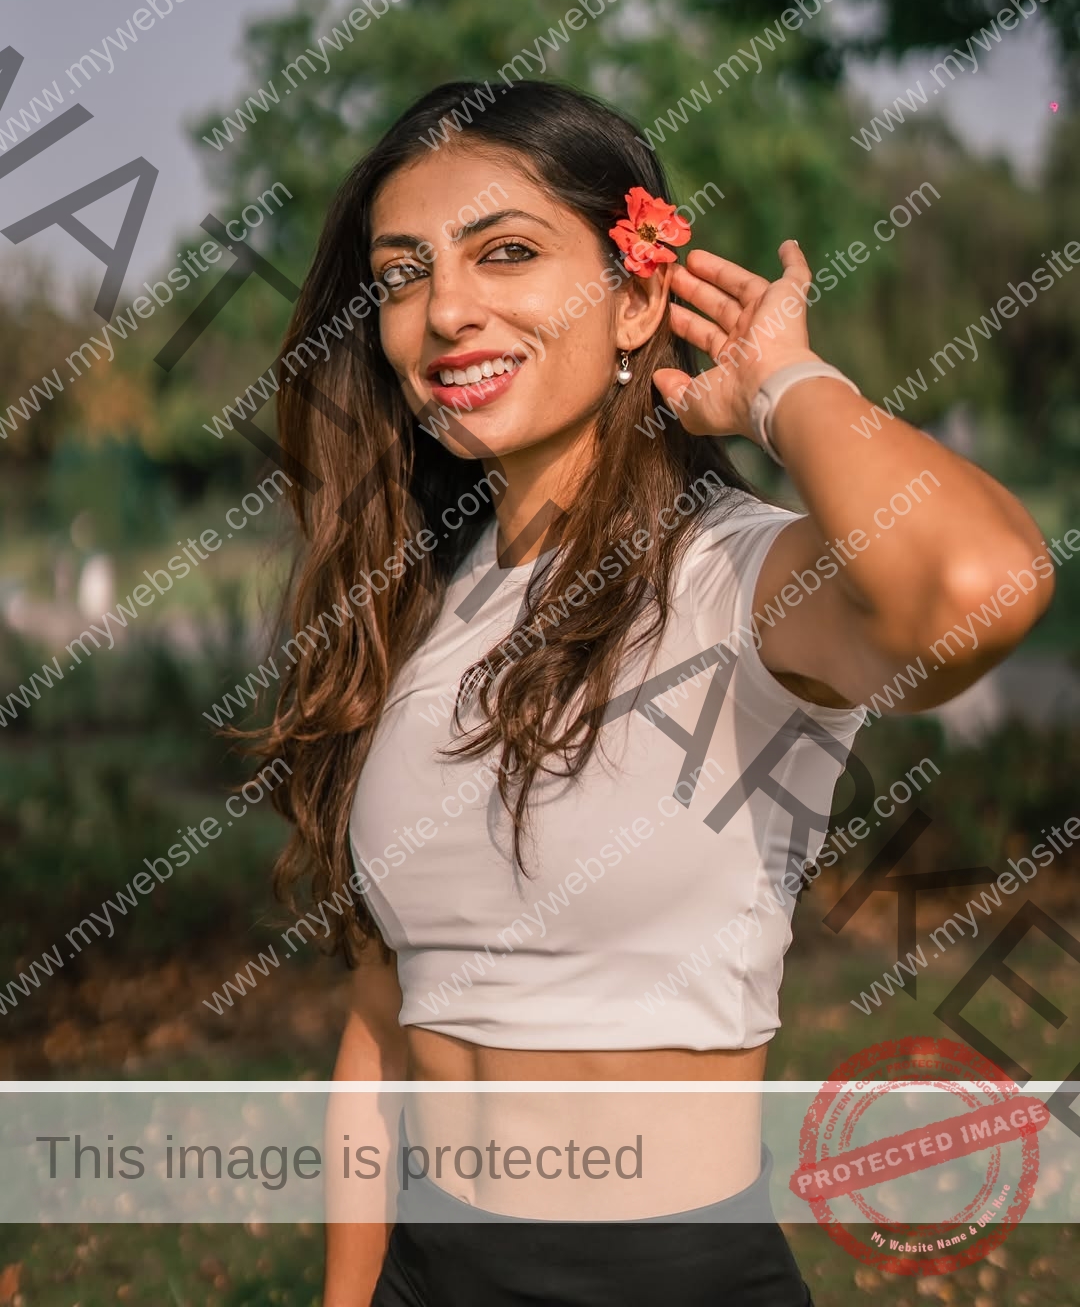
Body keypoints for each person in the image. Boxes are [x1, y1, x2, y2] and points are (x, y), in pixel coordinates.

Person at [248, 80, 1053, 1305]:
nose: (445, 311)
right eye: (403, 275)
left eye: (504, 253)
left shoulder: (737, 576)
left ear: (636, 299)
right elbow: (382, 1014)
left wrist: (785, 387)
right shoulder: (424, 601)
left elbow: (975, 581)